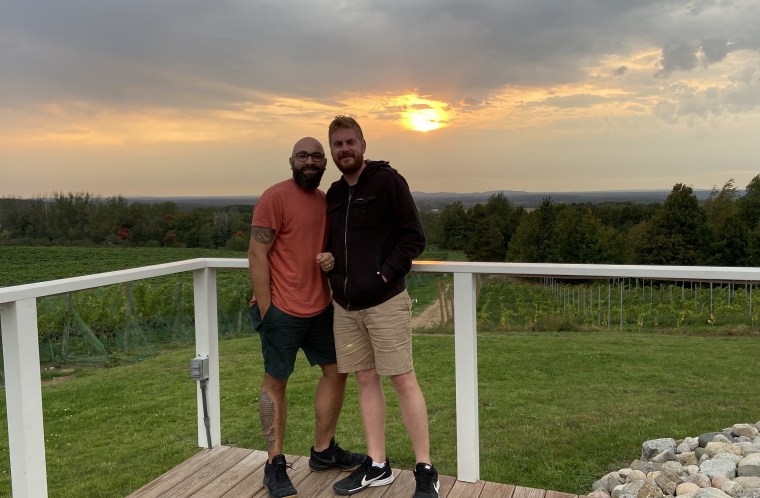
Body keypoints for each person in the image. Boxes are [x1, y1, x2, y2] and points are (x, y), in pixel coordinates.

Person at [324, 116, 439, 498]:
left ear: (363, 145)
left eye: (350, 142)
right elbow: (335, 244)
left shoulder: (388, 181)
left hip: (385, 302)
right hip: (345, 305)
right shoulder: (335, 195)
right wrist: (328, 261)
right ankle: (378, 465)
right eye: (337, 144)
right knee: (365, 380)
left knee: (403, 379)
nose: (344, 149)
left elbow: (413, 238)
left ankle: (425, 469)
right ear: (332, 150)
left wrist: (385, 275)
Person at [247, 136, 365, 498]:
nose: (310, 161)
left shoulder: (323, 201)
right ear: (291, 161)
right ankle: (275, 463)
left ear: (324, 164)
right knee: (275, 382)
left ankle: (323, 450)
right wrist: (268, 310)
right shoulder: (274, 197)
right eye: (303, 156)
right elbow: (256, 253)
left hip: (320, 307)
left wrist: (329, 260)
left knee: (337, 370)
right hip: (281, 309)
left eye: (316, 156)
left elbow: (322, 248)